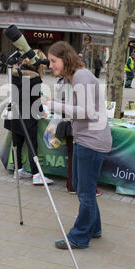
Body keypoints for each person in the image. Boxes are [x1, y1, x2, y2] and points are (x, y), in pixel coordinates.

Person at [43, 41, 112, 250]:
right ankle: (94, 228)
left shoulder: (81, 76)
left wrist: (53, 106)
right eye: (49, 61)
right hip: (88, 140)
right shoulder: (76, 77)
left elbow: (87, 112)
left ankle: (79, 237)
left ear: (65, 59)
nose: (50, 65)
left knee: (84, 192)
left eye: (53, 61)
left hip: (91, 143)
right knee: (86, 189)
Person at [4, 49, 53, 186]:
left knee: (17, 144)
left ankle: (18, 170)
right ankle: (37, 174)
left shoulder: (14, 73)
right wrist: (42, 112)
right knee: (32, 145)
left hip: (13, 113)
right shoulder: (35, 78)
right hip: (27, 116)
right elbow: (35, 102)